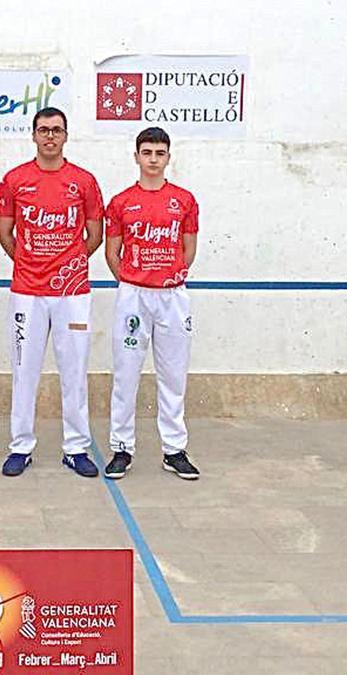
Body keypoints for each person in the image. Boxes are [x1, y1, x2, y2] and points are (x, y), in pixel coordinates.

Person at [0, 107, 104, 478]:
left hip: (73, 294)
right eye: (44, 130)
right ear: (34, 135)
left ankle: (76, 448)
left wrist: (67, 266)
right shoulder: (14, 180)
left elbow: (95, 235)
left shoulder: (84, 181)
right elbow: (4, 233)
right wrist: (30, 263)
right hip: (27, 292)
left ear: (66, 136)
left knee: (74, 371)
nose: (50, 136)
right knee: (24, 371)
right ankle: (20, 447)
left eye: (57, 130)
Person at [102, 127, 200, 480]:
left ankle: (174, 450)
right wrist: (132, 280)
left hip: (172, 297)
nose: (153, 159)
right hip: (133, 297)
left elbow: (188, 248)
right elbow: (112, 252)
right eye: (147, 152)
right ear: (137, 156)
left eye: (160, 153)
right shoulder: (121, 202)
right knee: (126, 375)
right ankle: (121, 448)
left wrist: (168, 277)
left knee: (173, 376)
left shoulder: (184, 200)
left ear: (168, 157)